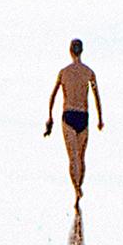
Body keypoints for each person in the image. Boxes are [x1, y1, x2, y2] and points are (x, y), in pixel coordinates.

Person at [45, 38, 104, 210]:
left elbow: (53, 96)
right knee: (81, 158)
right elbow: (96, 97)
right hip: (84, 116)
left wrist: (50, 117)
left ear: (70, 51)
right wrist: (100, 119)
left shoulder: (63, 73)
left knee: (72, 158)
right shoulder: (89, 73)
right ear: (82, 51)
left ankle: (76, 189)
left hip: (69, 116)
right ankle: (79, 190)